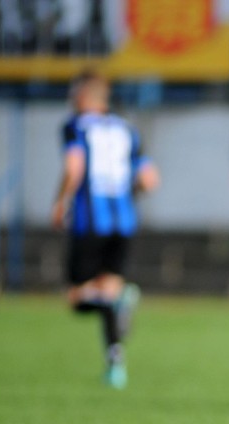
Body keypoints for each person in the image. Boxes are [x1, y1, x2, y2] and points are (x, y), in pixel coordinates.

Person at [52, 70, 159, 389]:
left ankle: (121, 299)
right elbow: (150, 180)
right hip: (124, 222)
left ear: (84, 98)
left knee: (76, 298)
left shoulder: (75, 126)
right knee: (108, 293)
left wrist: (59, 202)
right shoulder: (127, 129)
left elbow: (74, 168)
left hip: (90, 221)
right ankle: (115, 366)